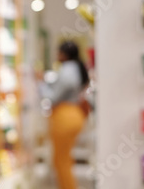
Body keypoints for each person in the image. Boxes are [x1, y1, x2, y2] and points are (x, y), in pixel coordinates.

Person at [38, 40, 90, 189]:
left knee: (61, 161)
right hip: (75, 114)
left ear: (64, 54)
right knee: (64, 158)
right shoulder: (77, 68)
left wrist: (40, 84)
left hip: (64, 117)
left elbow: (53, 97)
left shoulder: (67, 70)